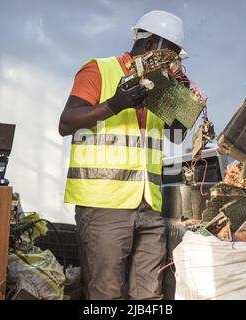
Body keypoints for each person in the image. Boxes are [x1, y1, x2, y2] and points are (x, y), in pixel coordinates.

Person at [58, 10, 188, 300]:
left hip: (150, 205)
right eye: (172, 54)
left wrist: (183, 97)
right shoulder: (99, 70)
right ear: (154, 43)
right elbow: (66, 123)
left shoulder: (162, 84)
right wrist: (114, 105)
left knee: (148, 295)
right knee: (106, 293)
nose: (175, 61)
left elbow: (177, 135)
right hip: (103, 203)